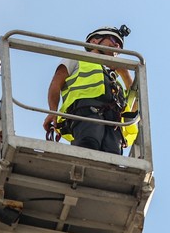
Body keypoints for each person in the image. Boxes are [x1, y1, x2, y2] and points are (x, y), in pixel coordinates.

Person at [44, 25, 135, 154]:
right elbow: (56, 83)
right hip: (85, 112)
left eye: (119, 47)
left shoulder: (114, 79)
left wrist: (125, 74)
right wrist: (53, 111)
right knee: (89, 144)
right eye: (113, 41)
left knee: (113, 156)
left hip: (113, 122)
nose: (117, 47)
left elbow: (133, 107)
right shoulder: (77, 58)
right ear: (94, 41)